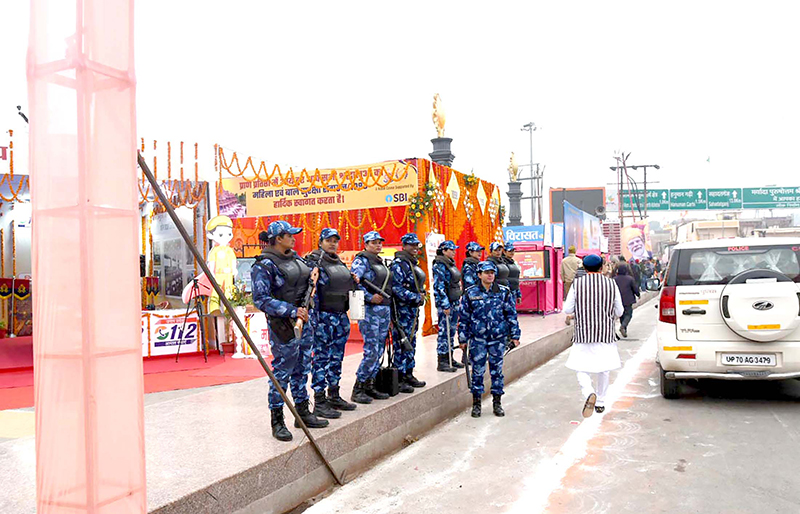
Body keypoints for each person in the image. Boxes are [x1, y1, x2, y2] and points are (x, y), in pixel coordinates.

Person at [252, 221, 328, 442]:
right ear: (277, 238)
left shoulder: (297, 259)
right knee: (282, 372)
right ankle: (277, 420)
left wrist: (314, 277)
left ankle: (302, 411)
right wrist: (292, 310)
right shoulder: (264, 265)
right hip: (283, 325)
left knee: (303, 368)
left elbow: (310, 282)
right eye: (289, 235)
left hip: (304, 322)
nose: (294, 238)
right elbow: (261, 299)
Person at [305, 228, 357, 418]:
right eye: (329, 240)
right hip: (323, 318)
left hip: (340, 316)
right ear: (320, 242)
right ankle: (319, 401)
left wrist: (354, 281)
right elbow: (311, 291)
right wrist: (315, 321)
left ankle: (334, 395)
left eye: (335, 240)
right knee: (321, 359)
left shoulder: (339, 262)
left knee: (337, 358)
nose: (333, 243)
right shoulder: (313, 261)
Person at [564, 254, 624, 418]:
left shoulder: (577, 284)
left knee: (581, 367)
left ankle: (588, 391)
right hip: (605, 333)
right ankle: (601, 402)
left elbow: (568, 309)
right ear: (601, 267)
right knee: (603, 369)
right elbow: (620, 311)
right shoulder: (611, 284)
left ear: (584, 268)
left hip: (583, 333)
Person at [459, 261, 520, 418]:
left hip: (497, 339)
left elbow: (511, 315)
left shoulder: (503, 292)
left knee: (497, 372)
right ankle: (476, 404)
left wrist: (515, 335)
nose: (490, 275)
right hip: (478, 339)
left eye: (492, 272)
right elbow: (464, 317)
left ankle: (497, 403)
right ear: (479, 275)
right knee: (477, 372)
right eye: (486, 272)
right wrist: (462, 338)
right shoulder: (470, 293)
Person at [350, 231, 393, 404]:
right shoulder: (362, 261)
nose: (378, 245)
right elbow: (354, 282)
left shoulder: (379, 262)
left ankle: (370, 384)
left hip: (383, 310)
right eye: (374, 242)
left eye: (379, 242)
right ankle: (359, 386)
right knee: (372, 350)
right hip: (370, 311)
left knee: (379, 349)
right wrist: (369, 297)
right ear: (366, 244)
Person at [390, 233, 428, 392]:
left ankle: (409, 373)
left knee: (411, 341)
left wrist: (421, 296)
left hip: (412, 309)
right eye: (411, 245)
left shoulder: (412, 263)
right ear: (404, 246)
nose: (414, 248)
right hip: (402, 309)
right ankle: (399, 377)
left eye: (416, 245)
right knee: (401, 343)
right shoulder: (398, 264)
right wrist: (414, 297)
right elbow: (396, 288)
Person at [433, 240, 464, 372]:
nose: (453, 251)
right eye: (451, 250)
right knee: (444, 332)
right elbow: (439, 286)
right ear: (444, 251)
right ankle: (443, 360)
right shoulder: (439, 264)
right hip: (446, 304)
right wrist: (445, 304)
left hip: (454, 301)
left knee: (451, 332)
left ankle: (450, 357)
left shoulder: (450, 263)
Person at [204, 215, 238, 314]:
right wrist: (211, 274)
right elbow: (211, 263)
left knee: (229, 293)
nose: (226, 237)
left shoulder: (229, 250)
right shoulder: (214, 251)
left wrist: (234, 270)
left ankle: (229, 311)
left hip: (228, 276)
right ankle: (214, 310)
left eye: (229, 234)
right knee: (215, 293)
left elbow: (232, 261)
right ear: (210, 236)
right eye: (221, 235)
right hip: (217, 275)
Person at [613, 264, 639, 338]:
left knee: (621, 314)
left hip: (617, 299)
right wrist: (638, 294)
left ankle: (623, 327)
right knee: (628, 314)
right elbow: (635, 288)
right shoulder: (630, 279)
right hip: (628, 299)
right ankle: (623, 326)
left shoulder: (614, 279)